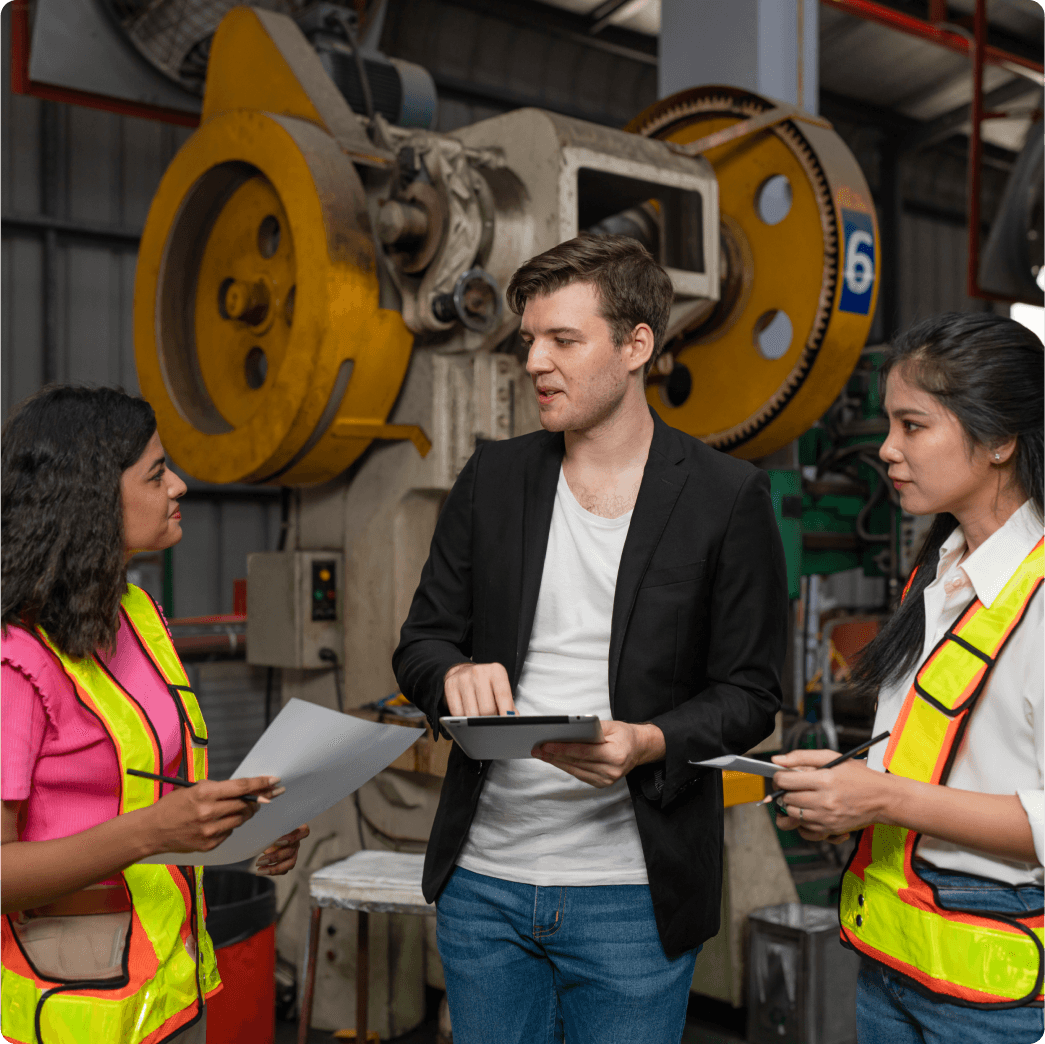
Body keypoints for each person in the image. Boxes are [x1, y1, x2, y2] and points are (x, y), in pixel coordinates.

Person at [393, 235, 789, 1044]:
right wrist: (451, 674)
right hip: (485, 886)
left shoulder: (724, 497)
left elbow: (750, 695)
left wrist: (650, 740)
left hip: (630, 896)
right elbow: (421, 642)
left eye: (562, 340)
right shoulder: (493, 478)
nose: (534, 361)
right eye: (528, 340)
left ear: (637, 344)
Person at [0, 386, 309, 1044]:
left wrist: (238, 830)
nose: (180, 486)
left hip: (166, 992)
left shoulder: (137, 616)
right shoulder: (13, 660)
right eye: (156, 472)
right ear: (93, 500)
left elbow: (144, 795)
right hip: (65, 1017)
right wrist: (152, 832)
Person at [768, 312, 1044, 1044]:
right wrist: (843, 788)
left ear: (998, 440)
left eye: (912, 426)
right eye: (887, 424)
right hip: (894, 969)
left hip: (996, 998)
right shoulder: (941, 574)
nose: (886, 450)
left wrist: (883, 797)